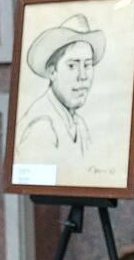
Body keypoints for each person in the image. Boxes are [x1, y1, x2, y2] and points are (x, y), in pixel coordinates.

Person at [15, 13, 104, 161]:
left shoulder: (79, 125)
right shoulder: (41, 127)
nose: (83, 76)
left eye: (87, 65)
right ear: (52, 71)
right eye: (72, 66)